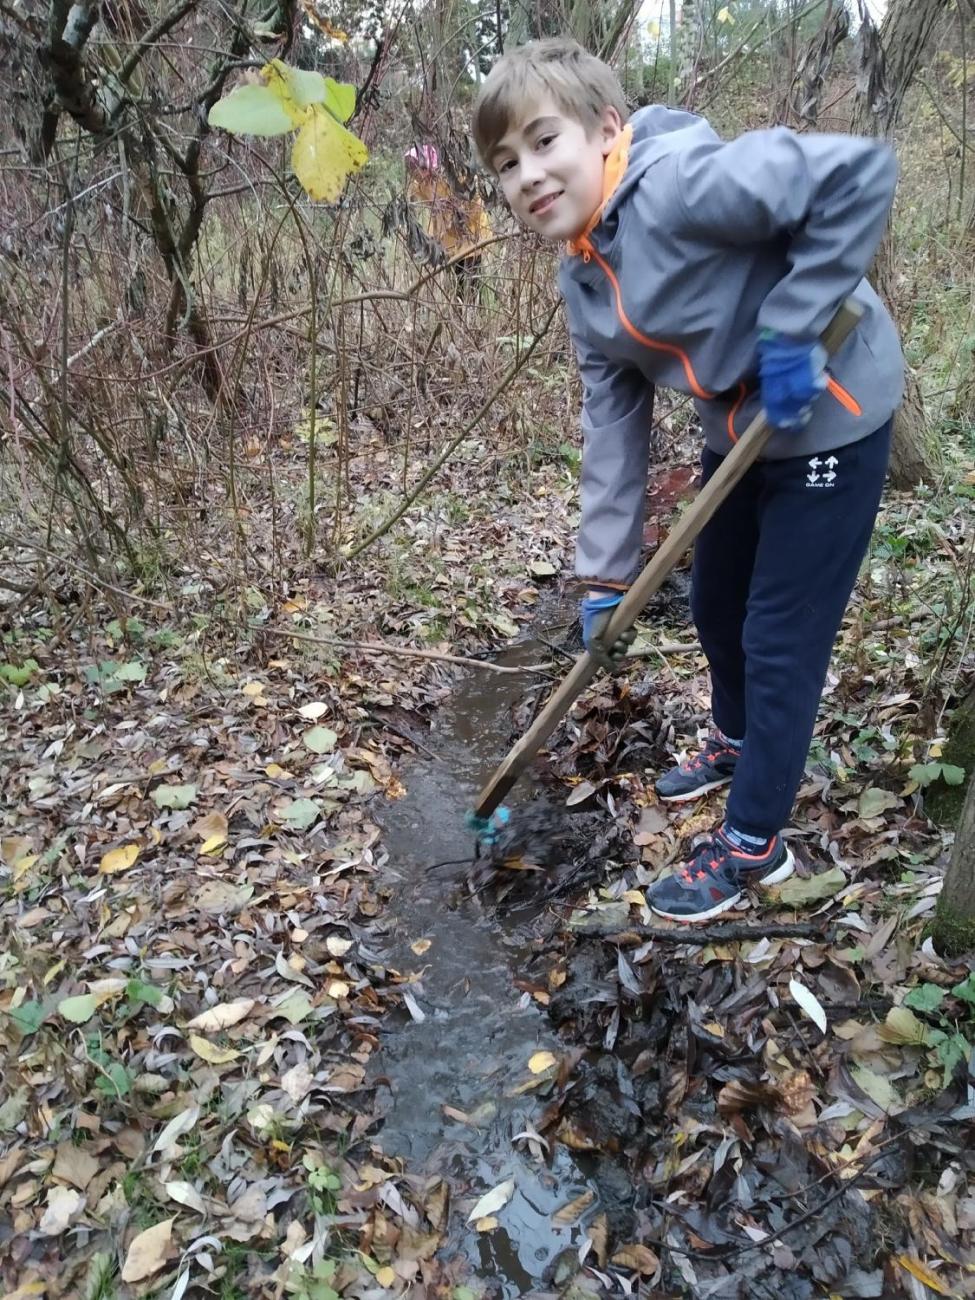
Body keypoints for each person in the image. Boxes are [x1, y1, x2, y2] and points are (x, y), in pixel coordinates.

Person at [471, 39, 904, 923]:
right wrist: (604, 576)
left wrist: (791, 324)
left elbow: (858, 173)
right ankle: (736, 740)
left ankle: (754, 845)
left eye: (544, 142)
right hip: (740, 422)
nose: (528, 176)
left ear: (604, 130)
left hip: (831, 400)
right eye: (505, 164)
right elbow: (612, 424)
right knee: (714, 603)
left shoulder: (681, 181)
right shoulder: (582, 279)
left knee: (778, 638)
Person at [404, 143, 492, 296]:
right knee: (455, 283)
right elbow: (412, 196)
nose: (416, 172)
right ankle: (459, 311)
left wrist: (456, 210)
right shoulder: (422, 185)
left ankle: (473, 311)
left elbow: (475, 201)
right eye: (413, 168)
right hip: (448, 241)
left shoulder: (454, 176)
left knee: (471, 281)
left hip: (471, 234)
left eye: (419, 167)